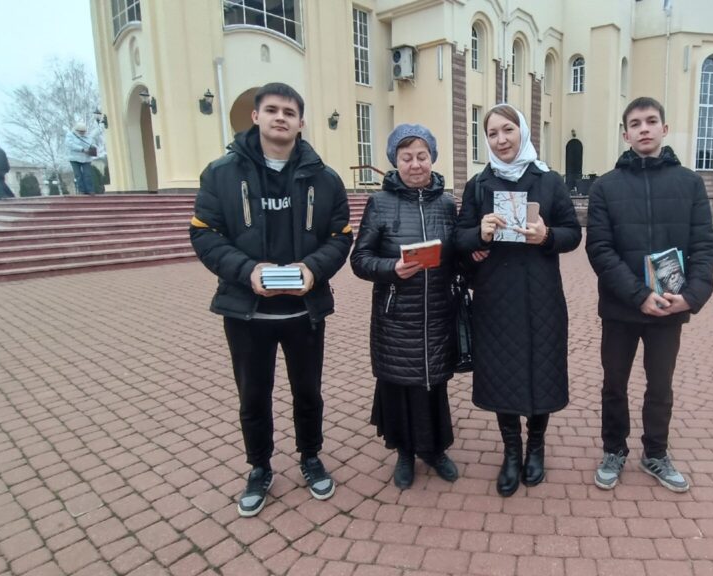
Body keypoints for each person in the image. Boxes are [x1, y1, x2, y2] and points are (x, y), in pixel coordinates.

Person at [189, 83, 353, 517]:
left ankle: (310, 457)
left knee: (308, 392)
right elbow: (204, 234)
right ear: (256, 117)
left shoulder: (325, 179)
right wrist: (248, 271)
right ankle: (259, 467)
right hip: (247, 312)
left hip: (304, 310)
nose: (281, 117)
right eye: (272, 110)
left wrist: (313, 269)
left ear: (301, 123)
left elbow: (340, 236)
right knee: (253, 396)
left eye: (289, 112)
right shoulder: (220, 174)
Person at [586, 96, 713, 492]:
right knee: (614, 384)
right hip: (621, 308)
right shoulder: (605, 187)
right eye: (636, 123)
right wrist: (639, 294)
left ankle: (655, 453)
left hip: (670, 307)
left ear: (664, 128)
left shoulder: (690, 184)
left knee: (660, 386)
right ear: (625, 134)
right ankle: (614, 450)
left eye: (651, 121)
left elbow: (704, 247)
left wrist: (691, 297)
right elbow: (600, 250)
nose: (644, 128)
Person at [455, 103, 582, 497]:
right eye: (492, 133)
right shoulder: (479, 184)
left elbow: (573, 234)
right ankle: (512, 452)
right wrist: (479, 234)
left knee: (542, 370)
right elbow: (459, 238)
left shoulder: (548, 180)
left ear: (522, 131)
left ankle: (536, 448)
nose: (501, 139)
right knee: (502, 373)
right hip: (495, 298)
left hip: (541, 295)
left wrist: (547, 236)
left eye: (507, 130)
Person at [350, 124, 460, 489]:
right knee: (400, 384)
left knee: (434, 384)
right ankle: (405, 453)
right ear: (395, 161)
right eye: (406, 157)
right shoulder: (380, 203)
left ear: (432, 158)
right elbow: (360, 259)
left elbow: (457, 255)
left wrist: (473, 254)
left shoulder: (447, 204)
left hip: (437, 312)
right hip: (396, 315)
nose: (415, 164)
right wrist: (392, 269)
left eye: (422, 156)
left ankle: (436, 450)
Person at [65, 124, 96, 195]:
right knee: (78, 175)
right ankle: (81, 190)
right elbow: (70, 145)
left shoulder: (88, 136)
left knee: (87, 174)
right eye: (81, 131)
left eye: (84, 131)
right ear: (76, 130)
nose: (82, 133)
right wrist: (82, 149)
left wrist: (92, 149)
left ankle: (90, 190)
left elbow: (92, 143)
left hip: (86, 158)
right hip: (74, 158)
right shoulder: (70, 135)